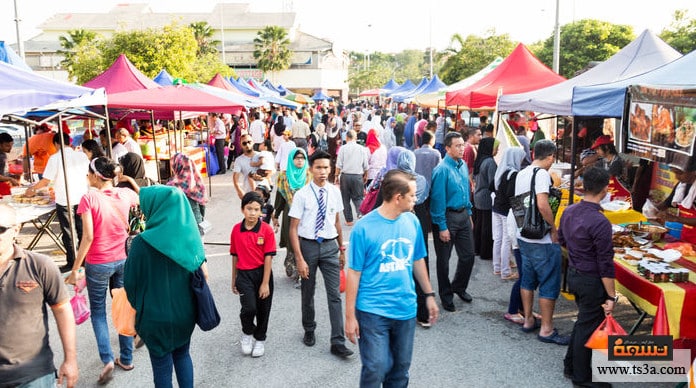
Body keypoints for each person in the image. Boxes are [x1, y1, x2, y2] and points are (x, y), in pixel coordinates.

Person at [345, 170, 439, 386]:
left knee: (400, 370)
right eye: (413, 195)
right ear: (398, 197)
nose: (416, 199)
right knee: (376, 367)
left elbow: (417, 259)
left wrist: (429, 294)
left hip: (405, 309)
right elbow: (354, 273)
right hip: (372, 311)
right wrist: (350, 317)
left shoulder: (412, 221)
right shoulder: (363, 228)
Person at [65, 157, 139, 384]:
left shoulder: (88, 198)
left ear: (97, 175)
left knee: (98, 312)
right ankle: (126, 358)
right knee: (123, 306)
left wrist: (75, 270)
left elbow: (87, 237)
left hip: (98, 263)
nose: (87, 177)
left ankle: (107, 360)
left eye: (89, 173)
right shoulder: (126, 194)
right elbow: (142, 196)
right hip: (123, 260)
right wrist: (128, 181)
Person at [124, 186, 208, 388]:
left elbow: (130, 284)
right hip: (184, 314)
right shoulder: (190, 237)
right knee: (183, 355)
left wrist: (141, 307)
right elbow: (202, 273)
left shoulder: (141, 243)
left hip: (154, 317)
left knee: (161, 367)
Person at [0, 204, 79, 388]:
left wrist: (71, 359)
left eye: (0, 229)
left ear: (16, 230)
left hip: (33, 375)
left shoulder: (39, 265)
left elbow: (62, 310)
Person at [288, 150, 353, 358]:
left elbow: (337, 222)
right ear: (311, 169)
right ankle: (309, 328)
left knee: (335, 295)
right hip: (308, 247)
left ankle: (338, 341)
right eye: (318, 168)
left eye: (326, 167)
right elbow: (293, 229)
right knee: (308, 292)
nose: (323, 172)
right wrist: (299, 258)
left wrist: (341, 249)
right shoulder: (302, 195)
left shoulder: (335, 192)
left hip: (330, 247)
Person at [559, 167, 615, 387]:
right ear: (605, 189)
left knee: (584, 321)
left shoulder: (570, 211)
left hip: (575, 273)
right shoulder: (600, 222)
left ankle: (571, 365)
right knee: (587, 324)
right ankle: (581, 377)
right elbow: (605, 263)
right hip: (590, 278)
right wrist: (611, 296)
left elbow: (562, 239)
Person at [514, 139, 569, 345]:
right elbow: (542, 203)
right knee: (548, 282)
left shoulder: (522, 172)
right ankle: (546, 329)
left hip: (524, 233)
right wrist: (553, 229)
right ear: (551, 156)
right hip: (541, 238)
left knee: (527, 278)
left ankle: (528, 319)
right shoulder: (542, 174)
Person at [26, 132, 89, 272]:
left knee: (68, 232)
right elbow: (88, 175)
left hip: (65, 199)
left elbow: (45, 181)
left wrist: (31, 190)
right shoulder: (81, 155)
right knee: (81, 230)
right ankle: (84, 260)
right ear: (68, 141)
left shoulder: (55, 158)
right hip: (82, 197)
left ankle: (72, 262)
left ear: (56, 144)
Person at [430, 132, 476, 312]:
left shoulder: (463, 164)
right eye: (457, 146)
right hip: (447, 217)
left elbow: (466, 192)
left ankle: (459, 286)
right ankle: (446, 294)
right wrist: (442, 226)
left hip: (463, 215)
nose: (462, 148)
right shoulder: (441, 170)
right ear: (447, 148)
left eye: (462, 145)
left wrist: (469, 215)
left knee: (468, 255)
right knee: (444, 260)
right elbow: (437, 201)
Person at [230, 191, 276, 358]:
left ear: (261, 211)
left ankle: (260, 339)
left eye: (257, 210)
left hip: (262, 274)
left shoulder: (266, 230)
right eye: (249, 209)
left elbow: (268, 257)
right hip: (244, 275)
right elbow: (234, 255)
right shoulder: (236, 230)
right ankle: (248, 333)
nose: (253, 213)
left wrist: (265, 283)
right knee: (249, 308)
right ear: (243, 209)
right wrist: (233, 278)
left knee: (263, 309)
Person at [273, 149, 311, 283]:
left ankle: (303, 269)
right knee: (292, 241)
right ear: (291, 160)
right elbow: (280, 197)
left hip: (307, 216)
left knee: (305, 241)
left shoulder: (309, 175)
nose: (300, 160)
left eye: (302, 158)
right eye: (297, 158)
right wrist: (276, 214)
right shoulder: (284, 176)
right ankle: (292, 263)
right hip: (290, 216)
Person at [493, 148, 526, 284]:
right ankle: (505, 271)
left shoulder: (501, 170)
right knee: (507, 240)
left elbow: (492, 187)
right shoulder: (513, 174)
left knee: (498, 238)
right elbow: (511, 194)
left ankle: (497, 266)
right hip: (506, 210)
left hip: (496, 207)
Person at [656, 157, 696, 244]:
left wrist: (675, 218)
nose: (677, 177)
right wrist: (652, 209)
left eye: (679, 173)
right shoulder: (681, 186)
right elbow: (667, 203)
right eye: (675, 173)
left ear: (694, 172)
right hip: (687, 237)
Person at [335, 130, 369, 226]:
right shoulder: (362, 149)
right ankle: (360, 215)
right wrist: (366, 175)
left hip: (345, 176)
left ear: (346, 137)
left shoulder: (343, 148)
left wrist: (336, 176)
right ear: (356, 138)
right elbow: (366, 165)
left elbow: (338, 164)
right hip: (357, 176)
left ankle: (349, 220)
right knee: (358, 198)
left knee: (345, 199)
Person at [472, 138, 498, 262]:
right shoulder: (490, 162)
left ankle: (476, 249)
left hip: (478, 195)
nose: (497, 150)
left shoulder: (480, 160)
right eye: (495, 147)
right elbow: (493, 182)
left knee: (479, 224)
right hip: (486, 196)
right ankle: (485, 252)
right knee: (486, 226)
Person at [168, 153, 208, 229]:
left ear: (176, 166)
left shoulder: (171, 186)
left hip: (180, 228)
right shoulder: (198, 183)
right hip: (197, 227)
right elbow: (203, 207)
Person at [233, 134, 257, 199]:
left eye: (249, 142)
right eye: (244, 143)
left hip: (264, 193)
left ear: (253, 142)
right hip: (249, 194)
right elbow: (235, 179)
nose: (247, 145)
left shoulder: (261, 156)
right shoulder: (239, 160)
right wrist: (239, 191)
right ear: (241, 145)